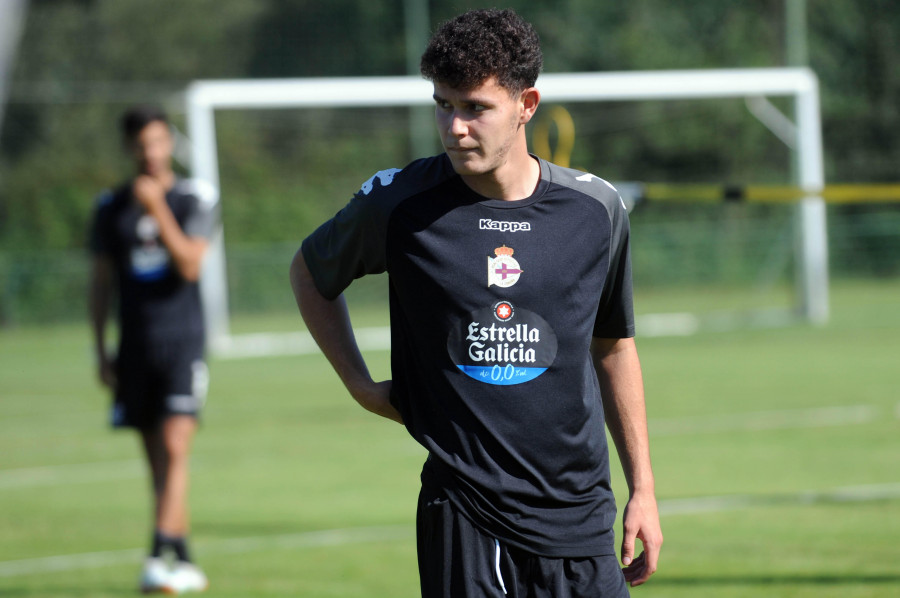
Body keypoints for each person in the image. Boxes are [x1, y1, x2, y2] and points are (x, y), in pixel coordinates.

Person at [291, 8, 662, 597]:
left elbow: (614, 345)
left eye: (475, 108)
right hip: (465, 513)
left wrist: (642, 488)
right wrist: (361, 387)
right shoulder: (399, 205)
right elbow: (310, 274)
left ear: (526, 104)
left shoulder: (597, 212)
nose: (455, 127)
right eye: (443, 104)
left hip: (582, 516)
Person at [88, 105, 217, 594]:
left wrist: (156, 206)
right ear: (129, 148)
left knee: (176, 448)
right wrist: (101, 349)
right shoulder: (109, 206)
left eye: (160, 142)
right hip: (135, 348)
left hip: (182, 342)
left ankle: (156, 551)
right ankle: (183, 560)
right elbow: (100, 283)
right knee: (157, 464)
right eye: (142, 145)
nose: (152, 153)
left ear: (170, 143)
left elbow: (189, 265)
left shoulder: (193, 197)